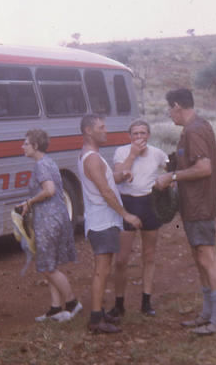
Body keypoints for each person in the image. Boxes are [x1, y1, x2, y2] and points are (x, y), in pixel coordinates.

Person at [154, 88, 216, 335]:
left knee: (207, 258)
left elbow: (205, 168)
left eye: (169, 109)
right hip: (196, 203)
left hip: (199, 205)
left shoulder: (194, 130)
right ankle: (208, 314)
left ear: (177, 106)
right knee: (200, 259)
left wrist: (172, 177)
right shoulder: (199, 127)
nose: (169, 114)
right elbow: (214, 162)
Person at [77, 114, 142, 334]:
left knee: (103, 269)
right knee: (102, 270)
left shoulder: (92, 156)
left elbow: (105, 181)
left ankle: (98, 313)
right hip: (101, 222)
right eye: (101, 127)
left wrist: (120, 175)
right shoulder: (92, 158)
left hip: (103, 221)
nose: (106, 131)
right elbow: (104, 190)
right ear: (88, 131)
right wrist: (126, 214)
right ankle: (96, 319)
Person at [16, 129, 82, 322]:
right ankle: (55, 307)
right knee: (50, 264)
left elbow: (49, 190)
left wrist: (29, 202)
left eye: (26, 143)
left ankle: (72, 303)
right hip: (56, 218)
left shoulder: (40, 166)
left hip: (48, 220)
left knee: (46, 267)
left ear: (35, 146)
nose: (23, 146)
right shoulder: (49, 162)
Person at [108, 119, 168, 318]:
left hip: (150, 203)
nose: (139, 137)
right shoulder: (122, 152)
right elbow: (117, 175)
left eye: (143, 133)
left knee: (149, 255)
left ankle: (146, 301)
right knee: (121, 259)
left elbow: (170, 170)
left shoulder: (157, 153)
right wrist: (132, 155)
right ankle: (119, 304)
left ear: (148, 135)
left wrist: (167, 183)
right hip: (128, 203)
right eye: (135, 134)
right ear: (130, 136)